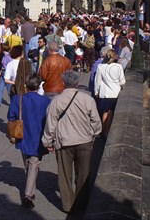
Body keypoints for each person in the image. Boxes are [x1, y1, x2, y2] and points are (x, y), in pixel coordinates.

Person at [42, 71, 102, 214]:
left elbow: (50, 124)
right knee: (83, 174)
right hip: (84, 141)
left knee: (64, 176)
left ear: (63, 83)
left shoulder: (56, 101)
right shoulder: (87, 99)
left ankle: (68, 205)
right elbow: (96, 121)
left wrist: (48, 142)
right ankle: (81, 204)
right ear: (77, 83)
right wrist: (95, 133)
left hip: (64, 142)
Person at [7, 73, 51, 209]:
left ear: (26, 86)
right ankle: (29, 194)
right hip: (38, 136)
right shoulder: (45, 101)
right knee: (32, 164)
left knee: (29, 164)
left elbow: (11, 116)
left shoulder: (17, 99)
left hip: (23, 135)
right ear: (39, 86)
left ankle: (29, 192)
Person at [94, 49, 126, 137]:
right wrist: (121, 86)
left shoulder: (101, 67)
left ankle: (104, 131)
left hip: (105, 93)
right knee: (111, 112)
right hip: (115, 93)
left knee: (105, 112)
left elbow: (98, 82)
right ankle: (107, 132)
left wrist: (96, 92)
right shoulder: (118, 67)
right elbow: (122, 81)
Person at [0, 43, 12, 108]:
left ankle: (13, 103)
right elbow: (3, 66)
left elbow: (10, 66)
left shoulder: (8, 57)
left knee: (9, 90)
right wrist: (0, 73)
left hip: (7, 73)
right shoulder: (4, 56)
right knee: (0, 88)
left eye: (0, 47)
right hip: (3, 72)